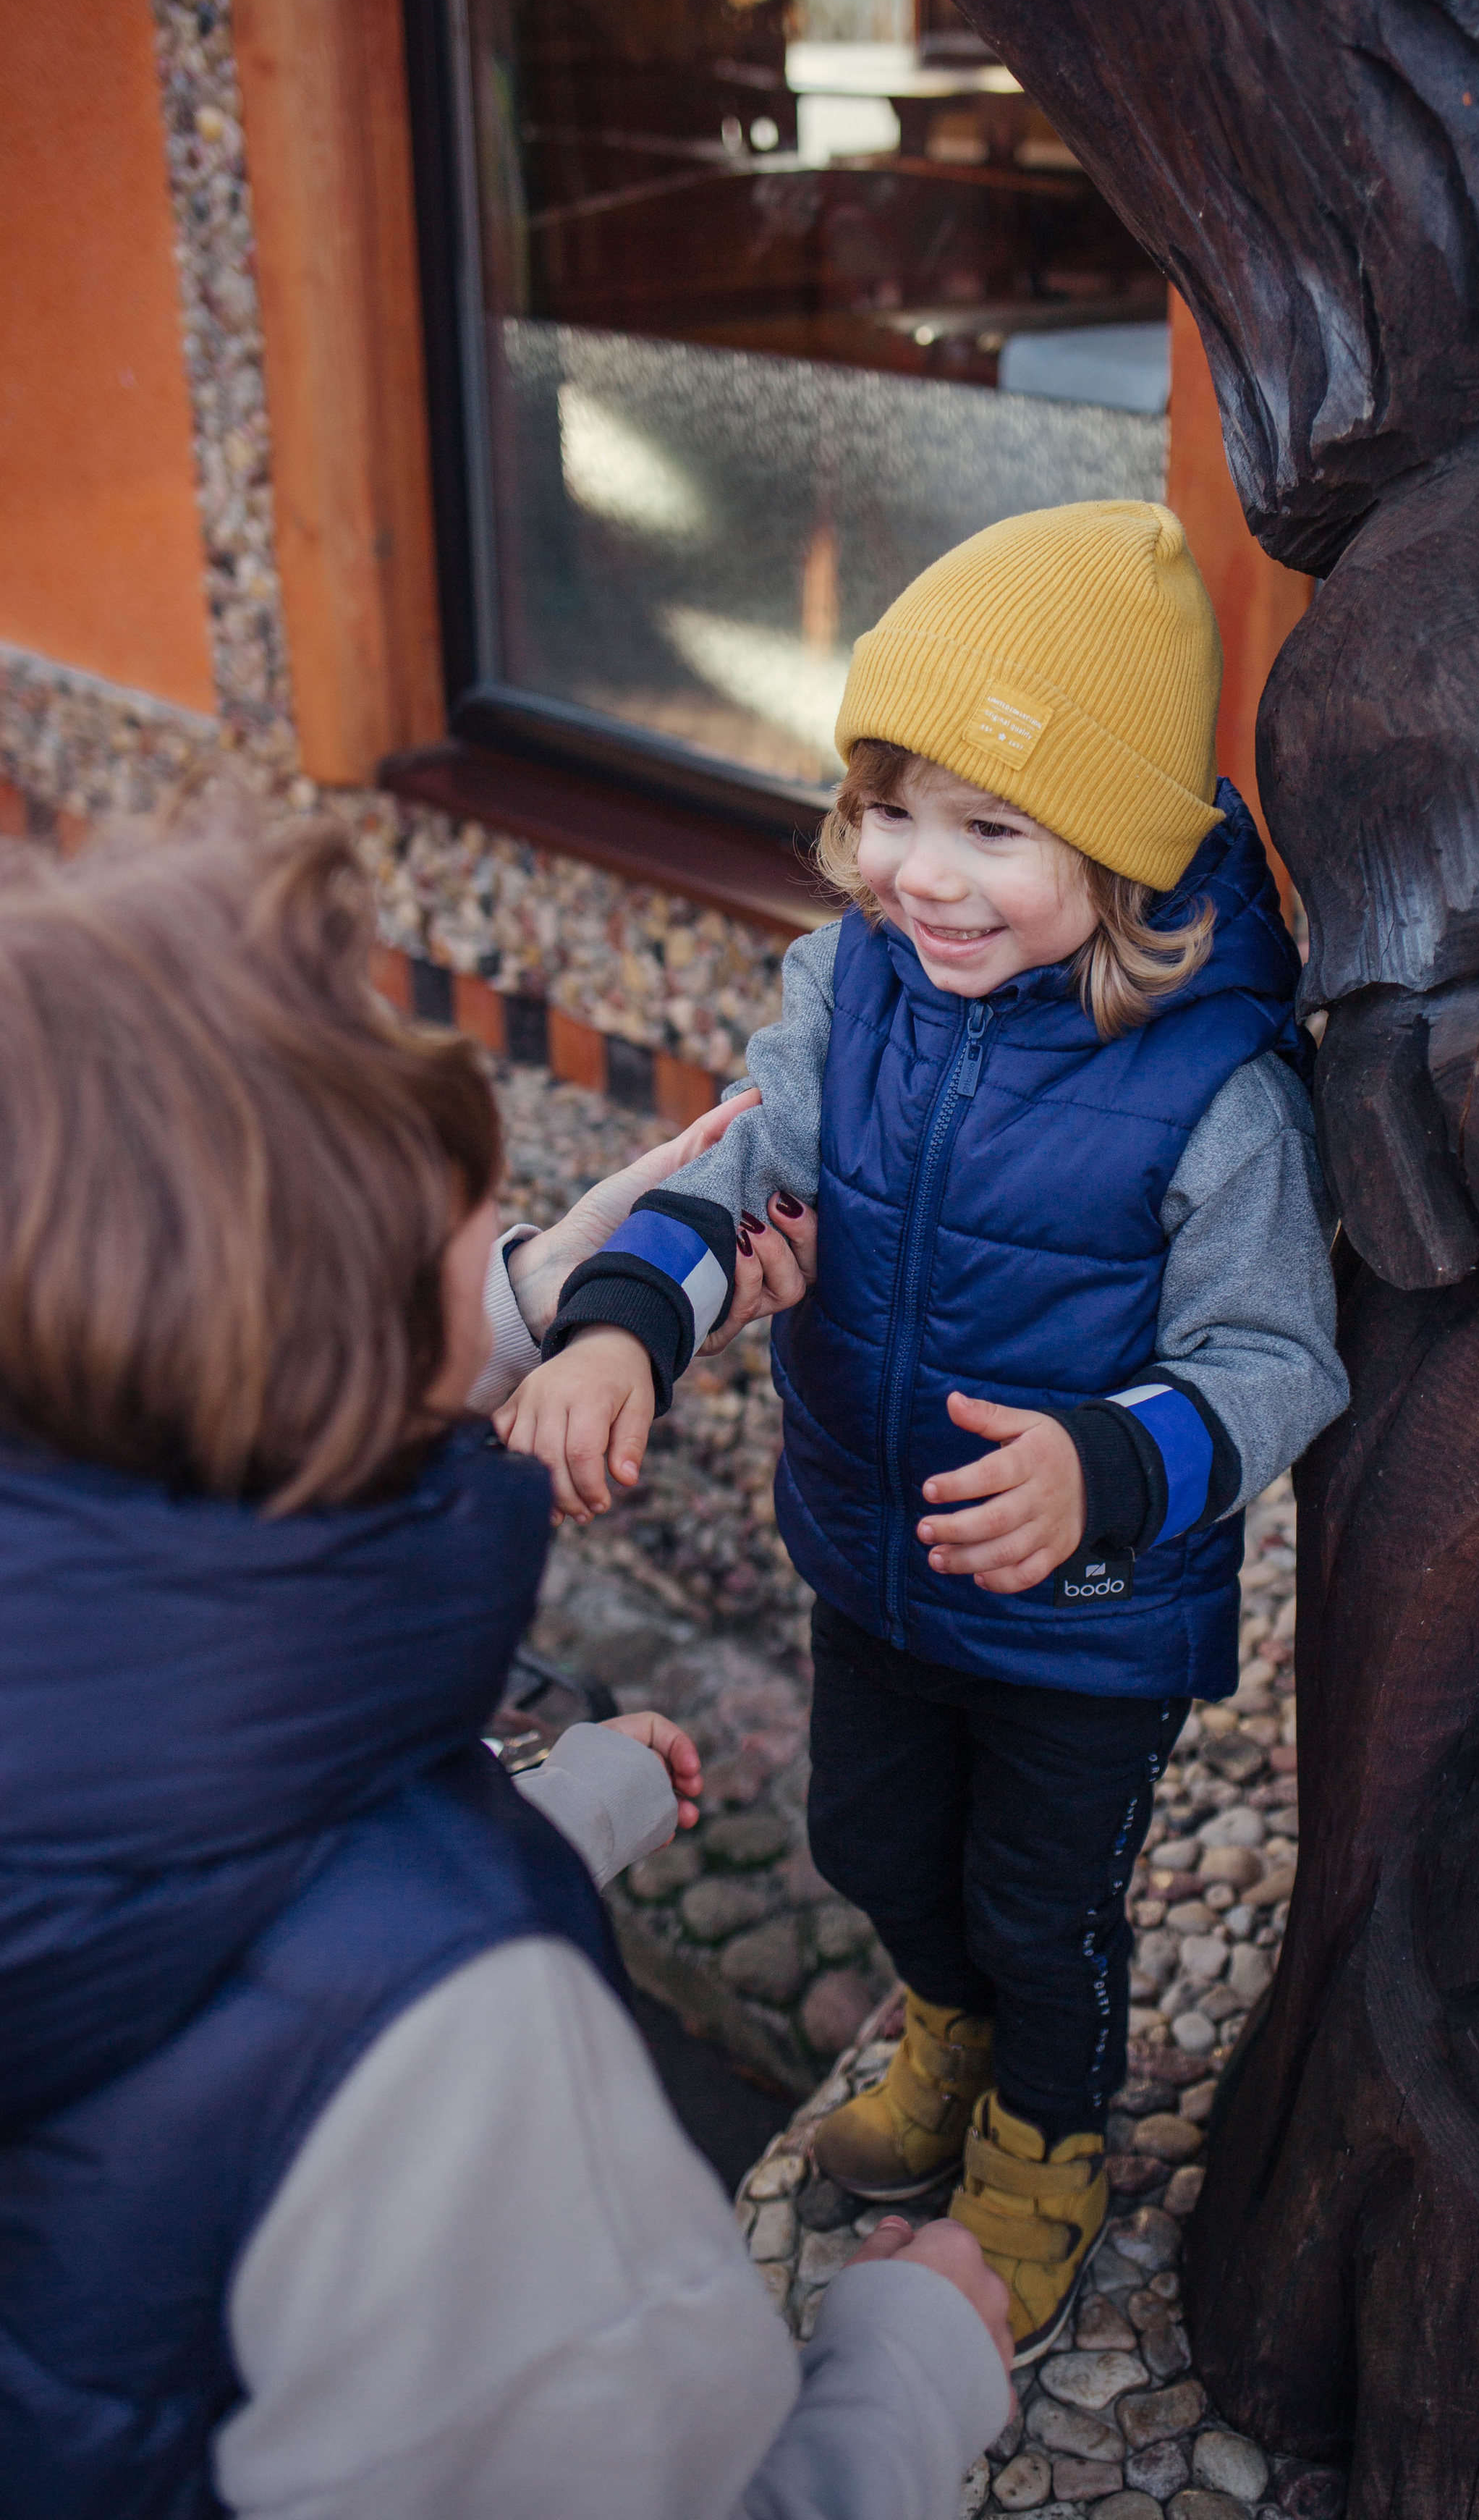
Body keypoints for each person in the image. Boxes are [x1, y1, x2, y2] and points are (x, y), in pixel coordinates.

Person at [0, 810, 1010, 2519]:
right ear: (372, 1353)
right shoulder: (464, 2026)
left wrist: (524, 1814)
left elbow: (182, 1949)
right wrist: (902, 2371)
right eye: (470, 1233)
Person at [497, 500, 1348, 2358]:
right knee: (879, 1845)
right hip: (872, 1556)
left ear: (1120, 854)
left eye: (990, 830)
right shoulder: (847, 988)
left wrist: (1102, 1470)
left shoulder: (1211, 1090)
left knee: (1048, 1911)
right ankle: (944, 2029)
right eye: (890, 813)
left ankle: (1043, 2155)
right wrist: (627, 1326)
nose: (920, 877)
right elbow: (746, 1172)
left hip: (1079, 1622)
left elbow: (1277, 1354)